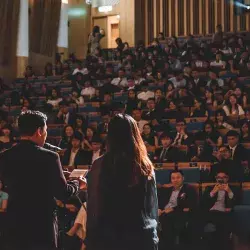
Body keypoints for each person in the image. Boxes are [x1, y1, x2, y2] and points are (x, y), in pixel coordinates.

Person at [0, 110, 86, 250]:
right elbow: (63, 193)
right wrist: (77, 182)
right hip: (41, 223)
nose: (46, 135)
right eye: (46, 130)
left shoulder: (4, 156)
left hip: (14, 223)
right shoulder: (50, 157)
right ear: (39, 131)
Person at [86, 114, 158, 250]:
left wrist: (91, 237)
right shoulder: (144, 164)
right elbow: (151, 205)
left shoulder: (99, 164)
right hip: (141, 233)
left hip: (109, 235)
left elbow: (94, 206)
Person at [158, 170, 198, 250]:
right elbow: (161, 203)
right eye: (173, 178)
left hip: (178, 213)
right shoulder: (167, 190)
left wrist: (172, 209)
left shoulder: (189, 189)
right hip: (164, 212)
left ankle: (168, 246)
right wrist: (159, 209)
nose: (175, 180)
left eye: (178, 178)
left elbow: (189, 205)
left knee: (166, 220)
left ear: (183, 178)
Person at [201, 170, 239, 250]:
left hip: (225, 213)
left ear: (227, 178)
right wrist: (213, 192)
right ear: (216, 179)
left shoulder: (234, 189)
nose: (221, 179)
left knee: (222, 226)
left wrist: (229, 191)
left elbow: (237, 202)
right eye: (219, 177)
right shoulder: (209, 188)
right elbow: (203, 203)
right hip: (212, 212)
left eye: (223, 177)